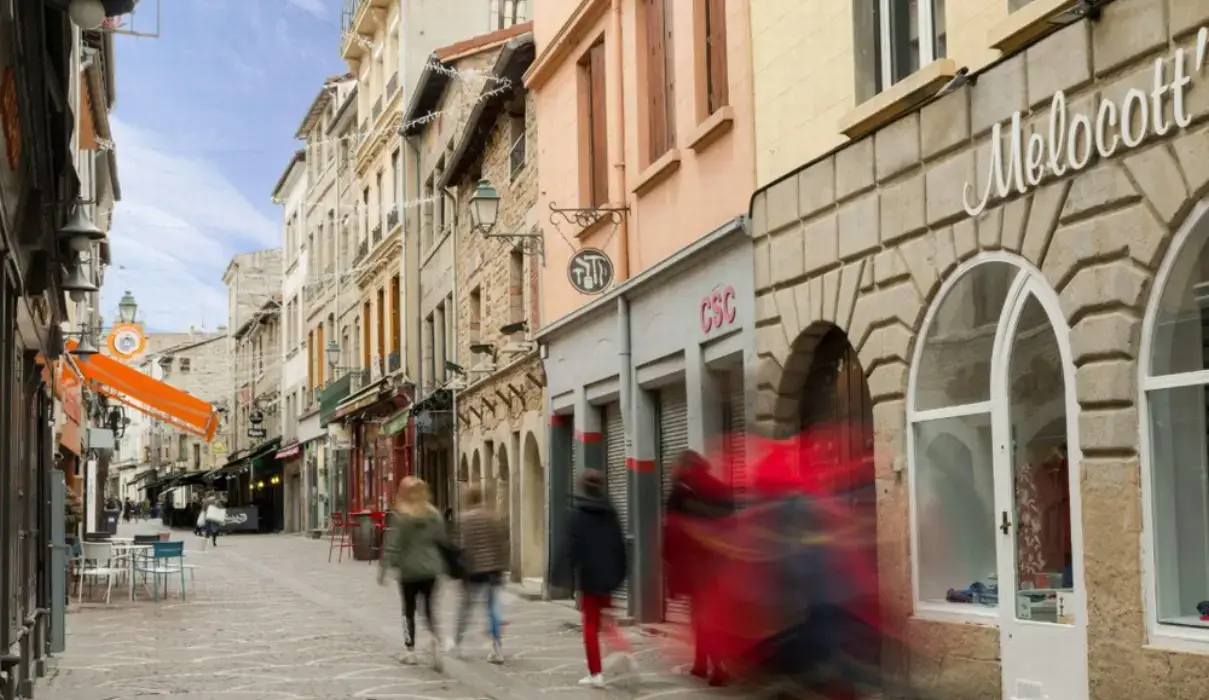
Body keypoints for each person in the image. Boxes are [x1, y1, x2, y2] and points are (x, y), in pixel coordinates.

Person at [553, 469, 633, 688]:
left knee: (590, 624)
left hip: (589, 577)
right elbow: (619, 544)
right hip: (608, 577)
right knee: (606, 618)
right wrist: (620, 573)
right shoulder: (610, 511)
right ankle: (625, 651)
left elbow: (570, 548)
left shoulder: (577, 513)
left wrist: (562, 574)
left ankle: (596, 673)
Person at [665, 450, 734, 687]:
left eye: (675, 465)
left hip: (696, 565)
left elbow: (673, 531)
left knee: (703, 617)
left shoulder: (682, 492)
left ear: (683, 466)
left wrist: (670, 563)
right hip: (718, 563)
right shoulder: (718, 487)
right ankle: (701, 664)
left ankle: (718, 666)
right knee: (704, 614)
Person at [379, 476, 447, 669]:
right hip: (432, 568)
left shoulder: (402, 515)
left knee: (407, 611)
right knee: (429, 609)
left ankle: (410, 650)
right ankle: (434, 640)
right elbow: (441, 539)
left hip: (409, 570)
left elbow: (394, 544)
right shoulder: (433, 514)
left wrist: (385, 567)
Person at [450, 485, 508, 663]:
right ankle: (497, 648)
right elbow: (501, 542)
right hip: (493, 569)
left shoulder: (464, 520)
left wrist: (460, 569)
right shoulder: (493, 517)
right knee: (492, 610)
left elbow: (463, 546)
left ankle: (457, 644)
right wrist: (502, 567)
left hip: (474, 570)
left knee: (466, 607)